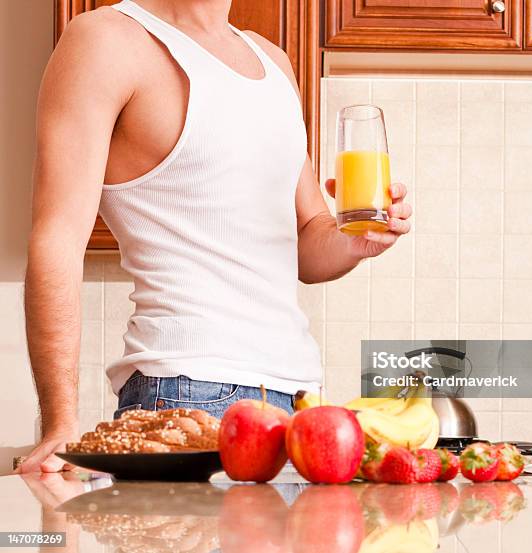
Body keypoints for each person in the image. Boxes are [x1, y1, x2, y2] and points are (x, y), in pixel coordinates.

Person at [20, 0, 412, 473]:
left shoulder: (273, 61)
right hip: (186, 392)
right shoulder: (108, 40)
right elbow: (56, 241)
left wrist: (356, 240)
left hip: (298, 400)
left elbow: (308, 240)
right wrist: (61, 423)